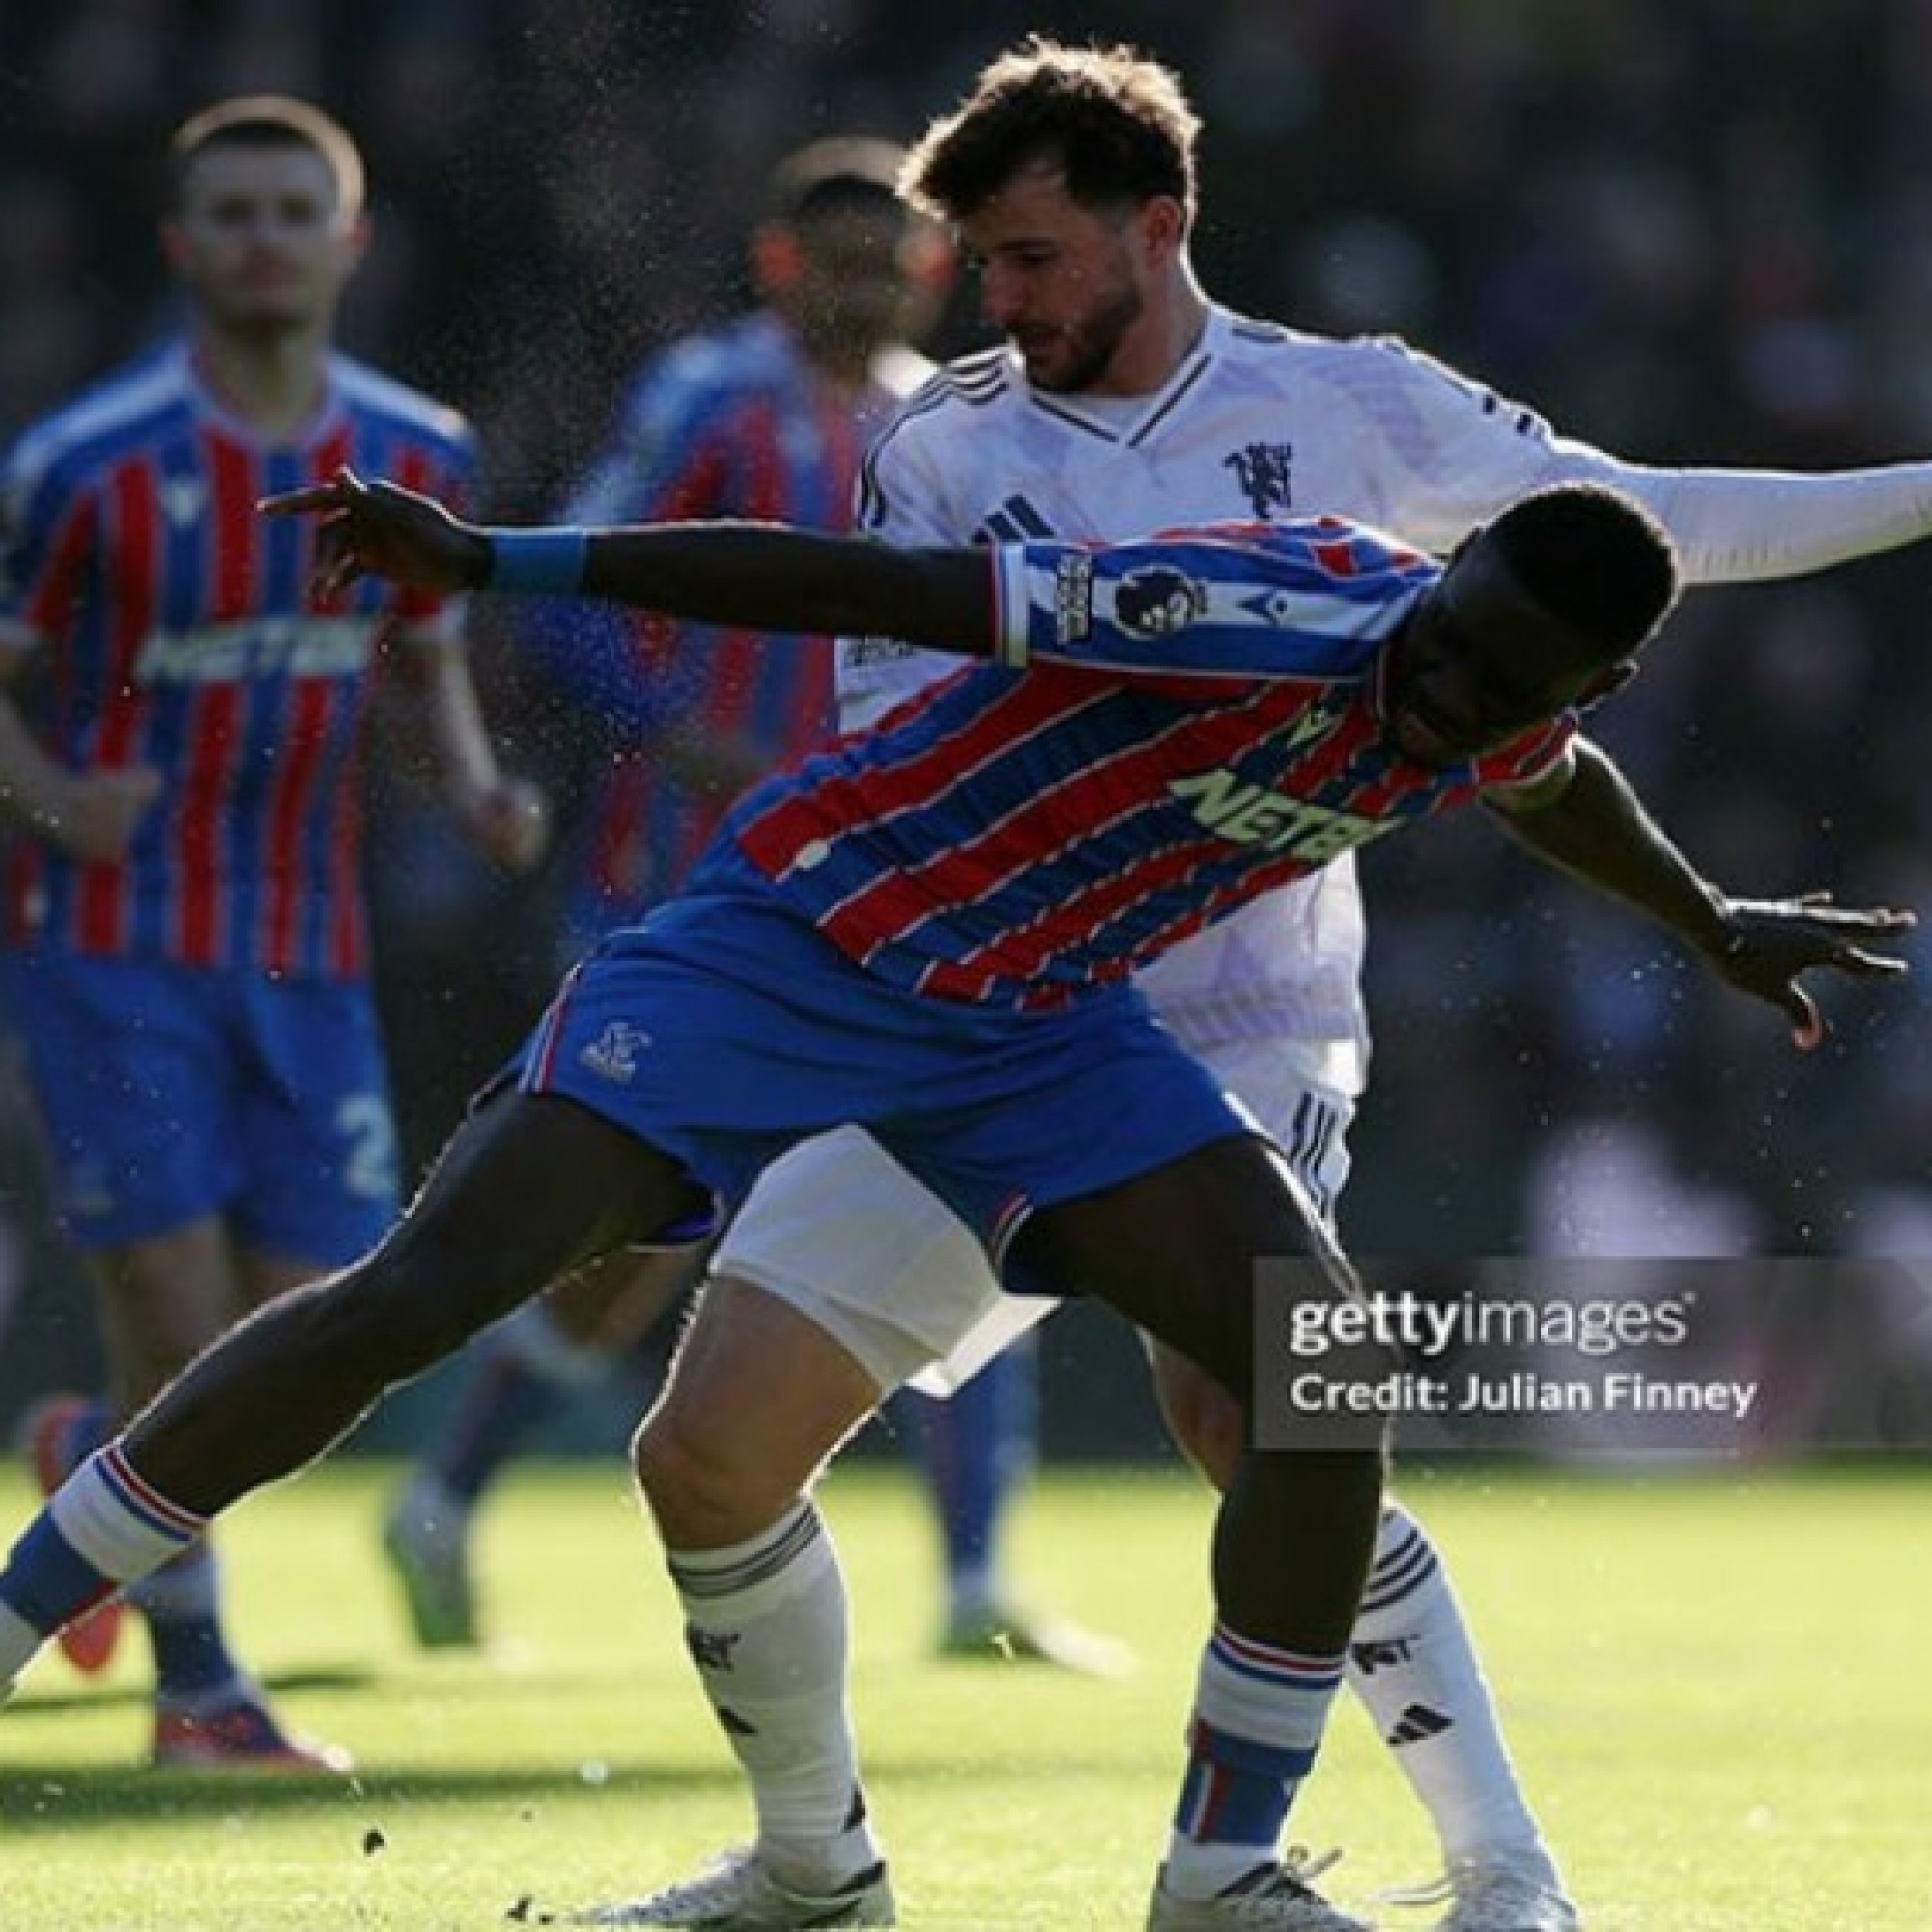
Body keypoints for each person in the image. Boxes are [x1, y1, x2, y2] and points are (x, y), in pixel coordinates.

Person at [0, 470, 1909, 1932]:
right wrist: (503, 560)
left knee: (1317, 1373)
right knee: (426, 1290)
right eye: (1452, 647)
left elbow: (1543, 781)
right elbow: (869, 583)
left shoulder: (1494, 701)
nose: (1451, 696)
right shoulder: (1251, 610)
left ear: (1593, 679)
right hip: (797, 938)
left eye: (1507, 683)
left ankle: (1218, 1873)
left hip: (1029, 1030)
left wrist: (1709, 919)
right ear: (1447, 575)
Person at [637, 37, 1932, 1932]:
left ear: (1154, 228)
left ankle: (1497, 1870)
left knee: (1269, 1420)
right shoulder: (941, 451)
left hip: (1243, 1020)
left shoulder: (1353, 408)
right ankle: (809, 1868)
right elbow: (893, 748)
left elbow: (1657, 522)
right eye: (982, 266)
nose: (990, 303)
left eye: (1027, 258)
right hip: (986, 1013)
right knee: (709, 1446)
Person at [375, 136, 1117, 1673]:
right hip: (688, 880)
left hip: (901, 888)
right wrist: (668, 724)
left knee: (964, 1191)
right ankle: (443, 1497)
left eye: (890, 259)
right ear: (781, 266)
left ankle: (980, 1574)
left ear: (931, 271)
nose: (862, 284)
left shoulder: (944, 422)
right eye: (831, 260)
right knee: (637, 1237)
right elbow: (584, 582)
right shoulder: (711, 397)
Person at [0, 98, 546, 1770]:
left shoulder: (415, 456)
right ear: (181, 244)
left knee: (317, 1334)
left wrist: (466, 785)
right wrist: (47, 797)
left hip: (308, 957)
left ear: (348, 243)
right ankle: (203, 1695)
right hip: (107, 945)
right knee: (181, 1319)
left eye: (290, 213)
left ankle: (92, 1445)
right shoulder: (86, 465)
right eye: (228, 212)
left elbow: (423, 641)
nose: (261, 239)